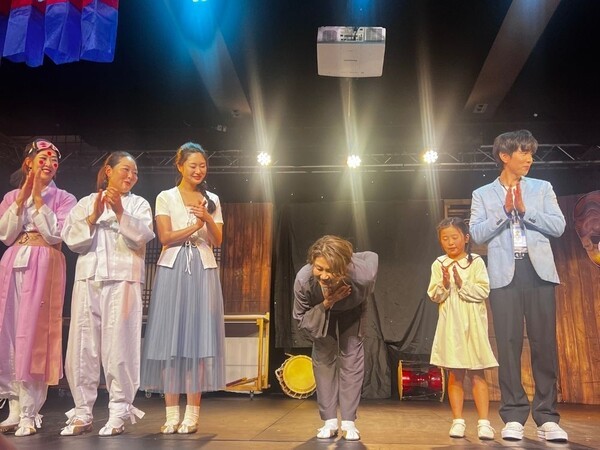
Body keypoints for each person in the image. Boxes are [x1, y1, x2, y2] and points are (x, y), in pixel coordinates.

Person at [470, 129, 568, 442]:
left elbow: (559, 226)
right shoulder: (482, 194)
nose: (529, 159)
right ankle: (513, 415)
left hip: (539, 273)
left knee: (544, 345)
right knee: (509, 345)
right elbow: (477, 234)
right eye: (523, 153)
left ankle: (547, 417)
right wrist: (504, 212)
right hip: (503, 276)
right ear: (504, 156)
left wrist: (527, 211)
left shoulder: (542, 188)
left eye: (531, 153)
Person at [60, 152, 155, 436]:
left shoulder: (138, 204)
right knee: (82, 346)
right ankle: (82, 412)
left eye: (135, 173)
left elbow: (142, 236)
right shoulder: (86, 202)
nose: (131, 176)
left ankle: (119, 412)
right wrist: (93, 216)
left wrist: (120, 212)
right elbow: (72, 240)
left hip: (123, 279)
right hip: (89, 278)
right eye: (126, 170)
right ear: (109, 170)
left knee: (120, 347)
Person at [141, 142, 226, 434]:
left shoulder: (212, 199)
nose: (199, 170)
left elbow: (218, 240)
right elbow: (165, 237)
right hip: (173, 268)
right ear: (180, 166)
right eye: (193, 165)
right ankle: (170, 414)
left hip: (202, 268)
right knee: (170, 343)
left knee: (197, 343)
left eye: (203, 165)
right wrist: (194, 227)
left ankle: (192, 413)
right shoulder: (165, 197)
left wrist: (207, 218)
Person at [0, 139, 76, 437]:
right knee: (8, 332)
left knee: (34, 334)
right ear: (28, 163)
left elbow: (57, 233)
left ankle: (30, 413)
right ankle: (14, 407)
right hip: (13, 261)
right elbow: (6, 234)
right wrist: (22, 199)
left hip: (44, 262)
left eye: (54, 160)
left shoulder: (64, 198)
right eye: (43, 158)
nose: (49, 164)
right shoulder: (11, 196)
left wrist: (39, 200)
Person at [293, 235, 378, 441]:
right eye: (319, 268)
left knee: (351, 359)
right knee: (323, 358)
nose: (324, 276)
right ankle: (329, 421)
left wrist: (347, 256)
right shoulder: (304, 280)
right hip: (321, 310)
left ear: (345, 267)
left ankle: (349, 421)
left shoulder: (362, 275)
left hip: (352, 308)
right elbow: (301, 318)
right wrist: (328, 302)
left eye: (331, 270)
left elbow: (372, 256)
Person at [427, 217, 498, 440]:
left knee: (477, 372)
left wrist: (461, 283)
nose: (450, 242)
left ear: (466, 238)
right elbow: (434, 295)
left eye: (455, 237)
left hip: (473, 324)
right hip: (451, 325)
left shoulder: (476, 262)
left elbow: (483, 291)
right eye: (445, 238)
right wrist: (445, 284)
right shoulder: (438, 264)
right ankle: (458, 421)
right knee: (455, 373)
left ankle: (484, 423)